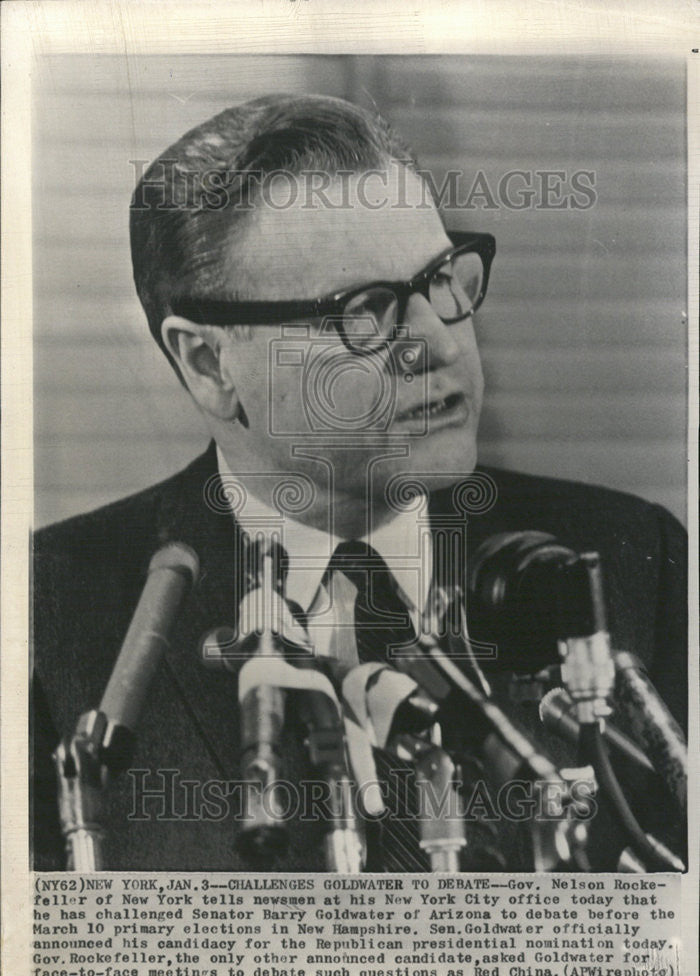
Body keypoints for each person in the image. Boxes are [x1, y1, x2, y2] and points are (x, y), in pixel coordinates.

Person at [32, 94, 687, 872]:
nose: (440, 343)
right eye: (365, 313)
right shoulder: (47, 616)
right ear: (210, 366)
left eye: (442, 278)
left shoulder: (626, 555)